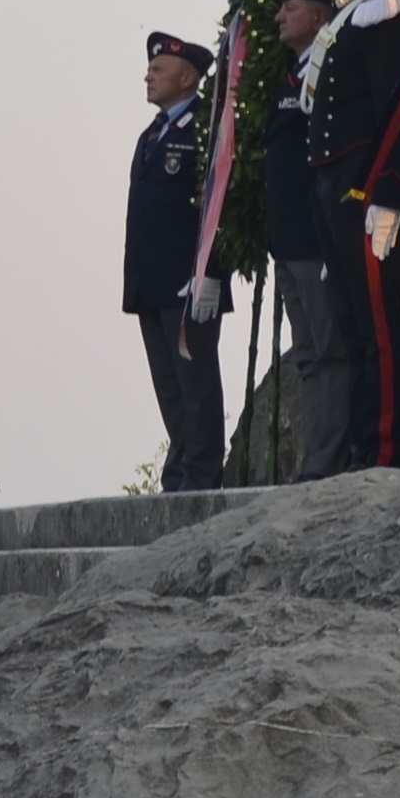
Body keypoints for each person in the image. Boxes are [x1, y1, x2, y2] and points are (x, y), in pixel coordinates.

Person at [302, 0, 400, 471]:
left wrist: (392, 193)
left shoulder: (380, 14)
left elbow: (397, 113)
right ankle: (362, 446)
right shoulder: (339, 22)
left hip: (365, 191)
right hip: (333, 194)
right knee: (353, 326)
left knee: (377, 326)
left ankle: (385, 449)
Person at [257, 0, 353, 481]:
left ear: (318, 15)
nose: (279, 16)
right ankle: (315, 461)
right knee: (309, 357)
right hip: (289, 238)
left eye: (289, 8)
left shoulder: (326, 66)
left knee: (329, 350)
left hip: (316, 236)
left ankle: (326, 462)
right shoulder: (292, 75)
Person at [125, 29, 228, 492]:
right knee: (169, 386)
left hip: (190, 281)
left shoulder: (206, 128)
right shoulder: (153, 134)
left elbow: (221, 205)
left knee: (196, 384)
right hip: (151, 281)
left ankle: (202, 474)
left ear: (187, 77)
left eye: (158, 69)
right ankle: (180, 470)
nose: (148, 76)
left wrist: (214, 273)